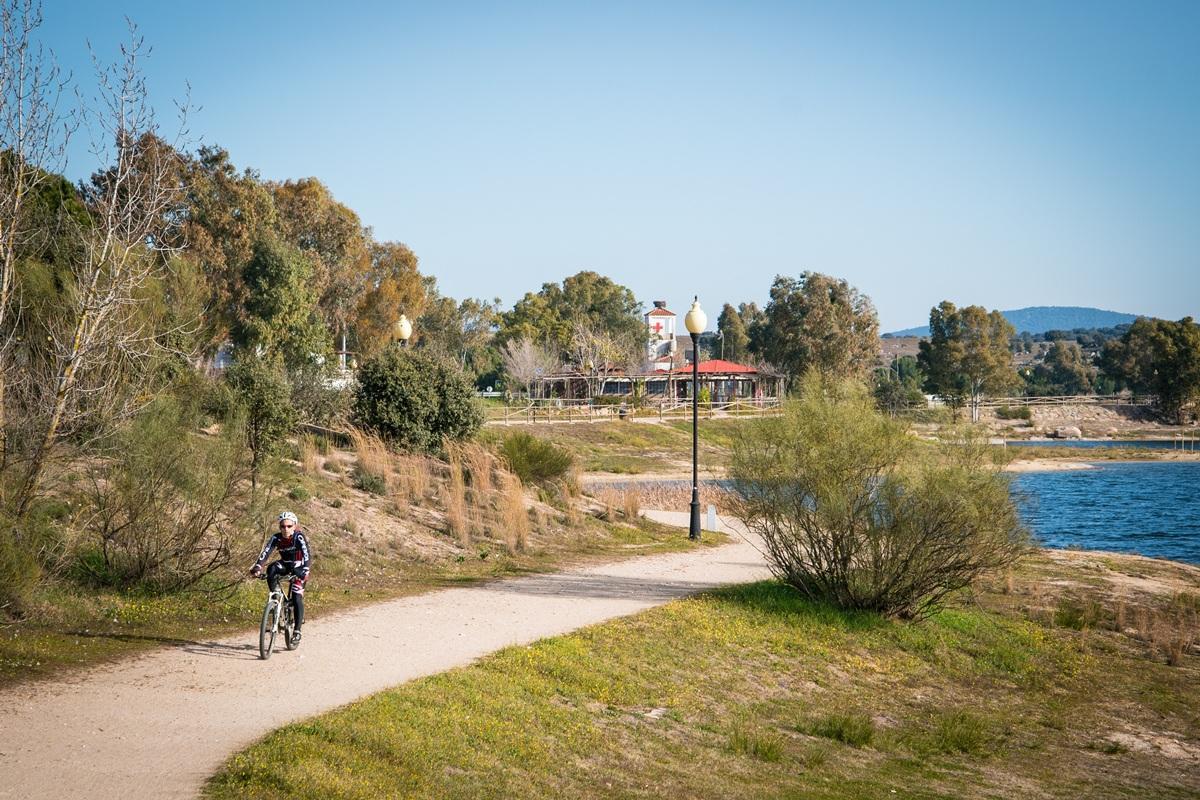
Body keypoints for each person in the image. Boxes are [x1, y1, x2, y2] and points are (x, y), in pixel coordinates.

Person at [250, 511, 311, 644]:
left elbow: (306, 554)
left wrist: (305, 570)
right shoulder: (276, 538)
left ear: (294, 526)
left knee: (296, 596)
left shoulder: (298, 537)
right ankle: (276, 598)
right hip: (285, 565)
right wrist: (258, 567)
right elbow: (266, 552)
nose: (285, 529)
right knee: (271, 568)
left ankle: (297, 631)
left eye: (289, 526)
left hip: (299, 567)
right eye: (282, 526)